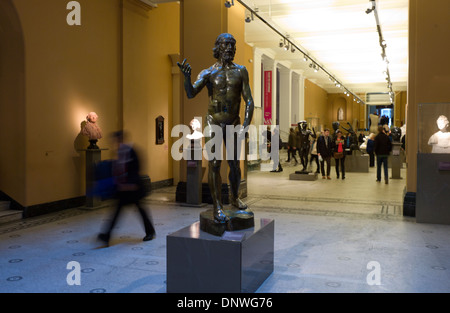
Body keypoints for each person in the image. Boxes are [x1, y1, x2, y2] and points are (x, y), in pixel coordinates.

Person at [177, 33, 254, 223]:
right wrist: (187, 78)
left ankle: (234, 198)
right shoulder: (208, 72)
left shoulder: (241, 71)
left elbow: (249, 100)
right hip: (214, 121)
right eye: (226, 44)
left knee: (235, 164)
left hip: (234, 122)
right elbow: (191, 93)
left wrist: (245, 125)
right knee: (215, 163)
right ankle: (217, 205)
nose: (229, 48)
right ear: (218, 47)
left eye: (232, 45)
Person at [98, 130, 156, 246]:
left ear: (122, 139)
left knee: (140, 210)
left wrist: (131, 183)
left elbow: (136, 168)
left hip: (133, 188)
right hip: (124, 189)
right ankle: (107, 235)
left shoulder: (131, 151)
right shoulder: (120, 151)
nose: (116, 142)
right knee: (117, 211)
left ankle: (150, 232)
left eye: (117, 139)